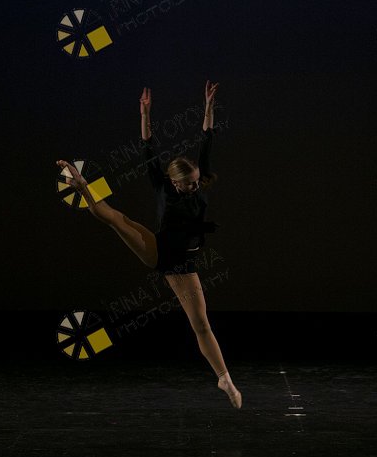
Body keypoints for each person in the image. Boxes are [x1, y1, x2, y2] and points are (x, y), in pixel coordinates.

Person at [57, 81, 242, 409]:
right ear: (174, 181)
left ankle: (224, 377)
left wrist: (208, 107)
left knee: (201, 324)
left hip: (184, 263)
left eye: (196, 183)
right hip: (160, 253)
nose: (194, 188)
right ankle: (83, 185)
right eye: (188, 185)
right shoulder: (163, 186)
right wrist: (145, 114)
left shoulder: (197, 182)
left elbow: (207, 138)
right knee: (115, 218)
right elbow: (148, 147)